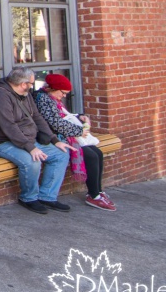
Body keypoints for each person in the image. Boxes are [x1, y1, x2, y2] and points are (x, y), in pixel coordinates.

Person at [0, 67, 76, 214]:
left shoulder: (25, 93)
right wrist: (30, 147)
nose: (32, 86)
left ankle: (47, 196)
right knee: (31, 161)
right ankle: (29, 198)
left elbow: (37, 117)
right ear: (23, 84)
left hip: (24, 138)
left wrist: (54, 140)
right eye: (31, 83)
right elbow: (9, 126)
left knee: (60, 154)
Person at [33, 74, 115, 211]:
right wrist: (79, 131)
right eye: (63, 93)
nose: (64, 96)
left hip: (63, 136)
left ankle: (98, 192)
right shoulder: (42, 100)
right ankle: (94, 195)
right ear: (53, 88)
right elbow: (55, 123)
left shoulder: (52, 98)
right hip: (53, 137)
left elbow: (63, 115)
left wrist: (79, 116)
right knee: (90, 156)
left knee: (97, 152)